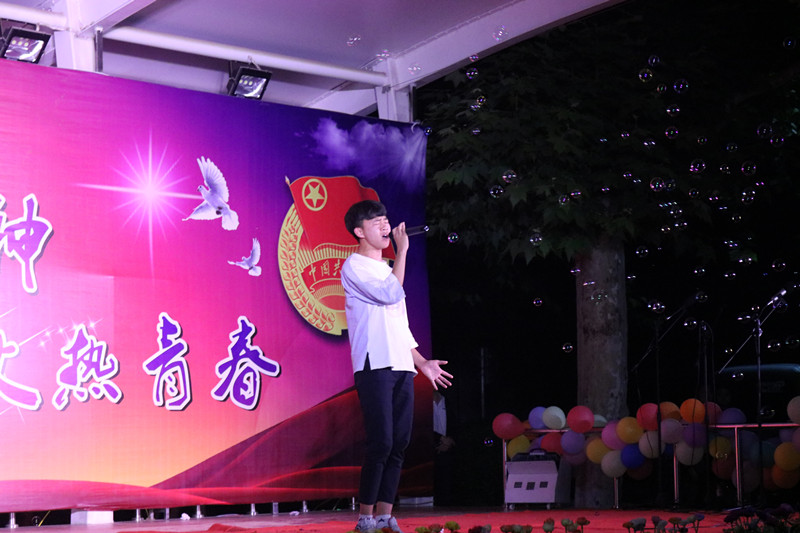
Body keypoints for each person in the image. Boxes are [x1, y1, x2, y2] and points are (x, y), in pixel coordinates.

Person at [341, 200, 453, 533]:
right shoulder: (354, 266)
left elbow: (399, 327)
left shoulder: (389, 269)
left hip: (401, 364)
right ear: (359, 231)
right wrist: (402, 252)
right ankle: (365, 517)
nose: (385, 225)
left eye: (385, 219)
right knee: (381, 442)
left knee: (400, 443)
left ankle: (386, 515)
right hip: (374, 363)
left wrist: (422, 362)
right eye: (375, 221)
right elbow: (389, 294)